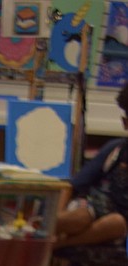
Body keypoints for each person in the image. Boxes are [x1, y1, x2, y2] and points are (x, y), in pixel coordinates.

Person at [55, 82, 128, 247]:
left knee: (116, 223)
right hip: (92, 205)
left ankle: (57, 245)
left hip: (119, 225)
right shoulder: (115, 149)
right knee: (79, 217)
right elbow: (71, 185)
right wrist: (59, 215)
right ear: (125, 123)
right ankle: (35, 231)